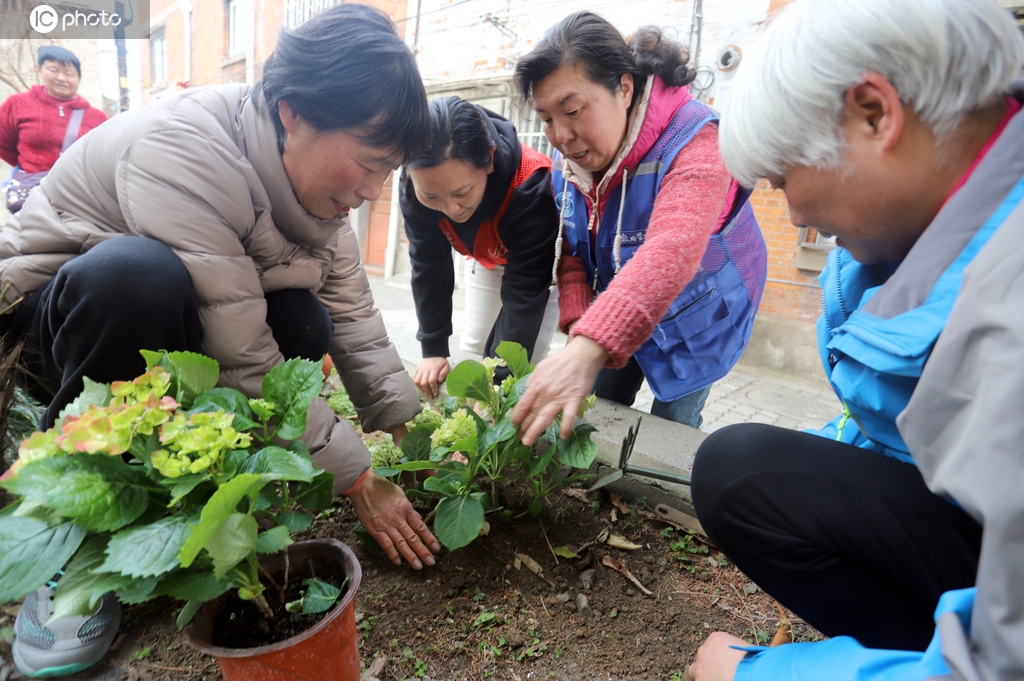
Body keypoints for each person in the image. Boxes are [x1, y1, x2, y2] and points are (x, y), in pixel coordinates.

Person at [0, 5, 440, 677]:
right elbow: (241, 352)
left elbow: (355, 319)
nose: (373, 191)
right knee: (138, 276)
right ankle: (71, 534)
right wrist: (356, 475)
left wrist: (411, 440)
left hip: (170, 340)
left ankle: (226, 482)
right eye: (372, 163)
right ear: (293, 112)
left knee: (305, 319)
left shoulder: (321, 197)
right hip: (60, 336)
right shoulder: (187, 147)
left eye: (388, 172)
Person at [687, 0, 1024, 678]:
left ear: (874, 112)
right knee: (744, 471)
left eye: (786, 179)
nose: (798, 215)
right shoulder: (917, 234)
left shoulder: (1009, 322)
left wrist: (758, 673)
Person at [510, 12, 767, 443]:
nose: (561, 135)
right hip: (621, 302)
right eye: (547, 118)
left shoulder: (698, 142)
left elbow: (673, 247)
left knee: (672, 428)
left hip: (702, 311)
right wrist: (580, 322)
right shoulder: (570, 166)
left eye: (572, 110)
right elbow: (572, 246)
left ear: (624, 88)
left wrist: (590, 344)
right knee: (599, 404)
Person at [400, 96, 560, 397]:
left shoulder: (532, 187)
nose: (450, 209)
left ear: (489, 159)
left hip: (537, 270)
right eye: (431, 197)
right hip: (484, 257)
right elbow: (428, 262)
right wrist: (433, 347)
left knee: (523, 361)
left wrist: (496, 387)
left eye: (462, 192)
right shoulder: (413, 185)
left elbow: (524, 293)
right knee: (474, 347)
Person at [0, 46, 107, 213]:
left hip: (79, 197)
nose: (61, 78)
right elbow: (3, 144)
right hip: (33, 194)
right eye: (54, 70)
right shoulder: (17, 104)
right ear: (39, 69)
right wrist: (30, 165)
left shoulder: (97, 117)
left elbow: (103, 157)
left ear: (78, 78)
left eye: (69, 74)